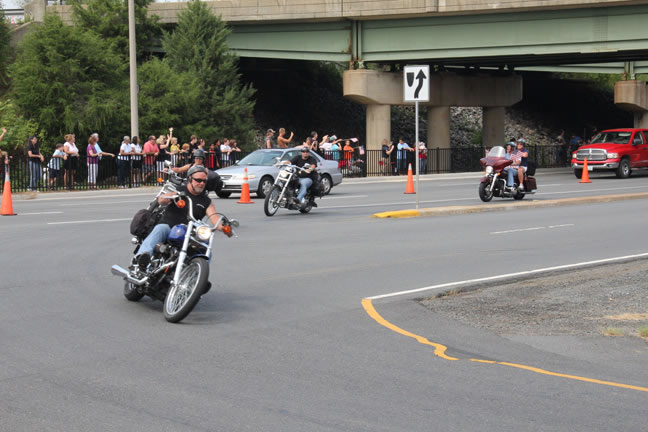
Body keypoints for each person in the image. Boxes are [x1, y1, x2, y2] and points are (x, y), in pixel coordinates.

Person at [134, 165, 223, 268]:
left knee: (206, 251)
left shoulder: (206, 201)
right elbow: (161, 199)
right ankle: (141, 258)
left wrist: (224, 227)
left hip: (188, 233)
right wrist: (168, 197)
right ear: (190, 179)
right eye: (198, 180)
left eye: (204, 181)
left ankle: (194, 275)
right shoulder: (179, 190)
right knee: (160, 229)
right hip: (169, 226)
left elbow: (215, 218)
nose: (202, 183)